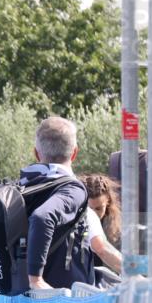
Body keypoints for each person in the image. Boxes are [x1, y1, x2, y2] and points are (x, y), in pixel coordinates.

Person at [22, 117, 95, 290]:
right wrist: (35, 279)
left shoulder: (24, 186)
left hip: (20, 295)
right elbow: (42, 217)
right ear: (74, 153)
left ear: (36, 153)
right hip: (58, 298)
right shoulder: (72, 189)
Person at [83, 173, 122, 248]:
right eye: (89, 209)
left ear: (108, 201)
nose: (94, 214)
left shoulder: (116, 227)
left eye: (98, 209)